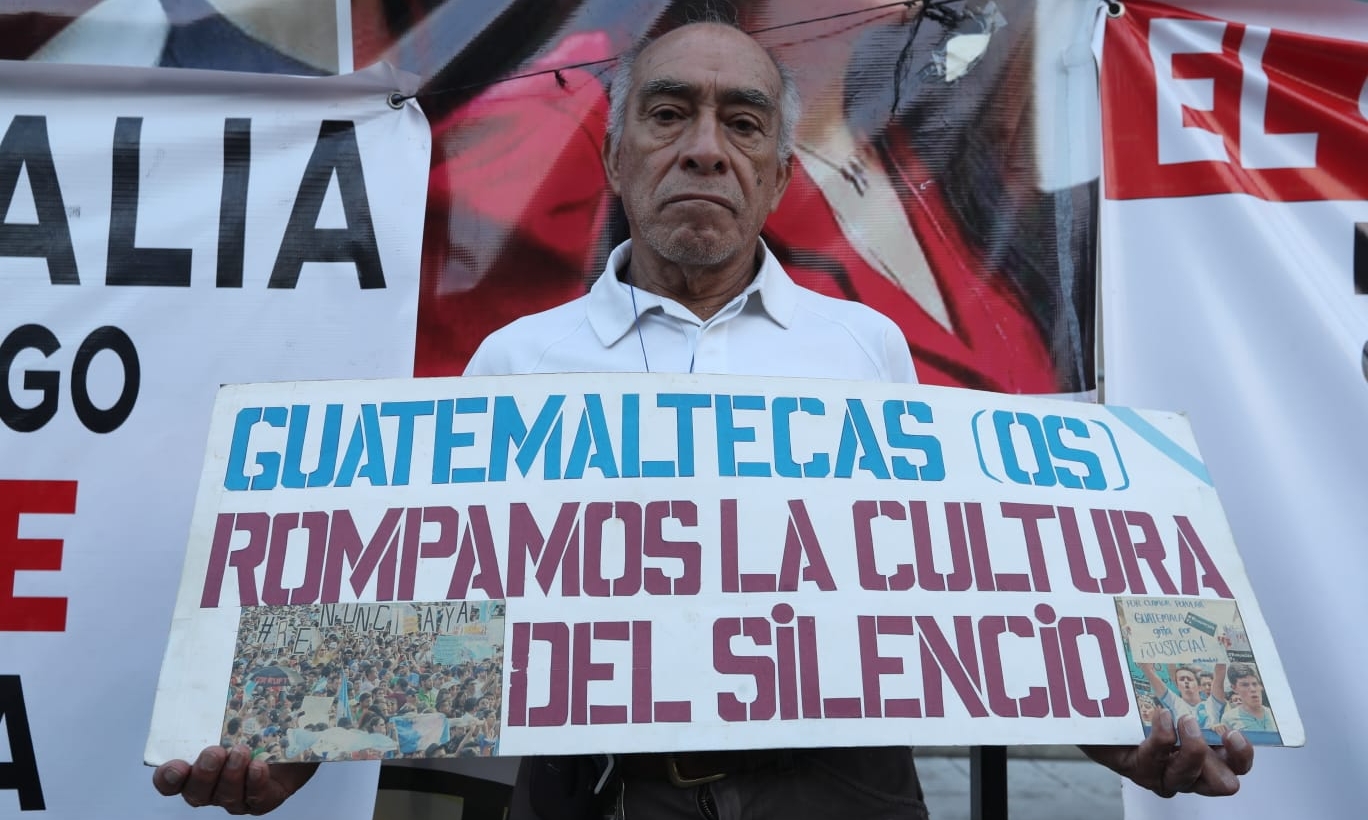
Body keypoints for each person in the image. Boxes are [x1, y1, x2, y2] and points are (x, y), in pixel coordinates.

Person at [152, 19, 1253, 818]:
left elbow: (966, 594)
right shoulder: (513, 364)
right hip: (592, 795)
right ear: (617, 155)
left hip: (839, 793)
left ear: (778, 171)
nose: (704, 148)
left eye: (742, 122)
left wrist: (1128, 725)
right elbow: (447, 608)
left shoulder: (867, 354)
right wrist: (294, 738)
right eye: (669, 113)